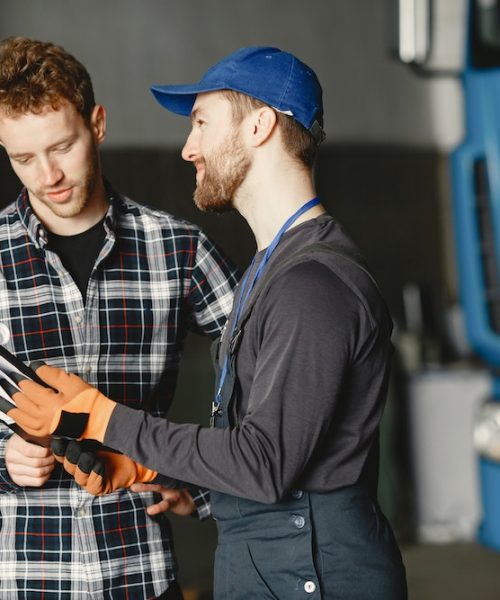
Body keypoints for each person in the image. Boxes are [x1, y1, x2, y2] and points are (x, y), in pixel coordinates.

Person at [7, 46, 408, 598]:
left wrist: (102, 418)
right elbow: (257, 432)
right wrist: (151, 472)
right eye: (23, 158)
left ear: (261, 125)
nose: (187, 148)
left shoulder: (301, 283)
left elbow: (265, 460)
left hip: (238, 568)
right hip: (34, 572)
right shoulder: (272, 272)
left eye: (200, 122)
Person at [0, 36, 238, 600]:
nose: (47, 175)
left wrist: (197, 489)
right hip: (27, 577)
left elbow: (268, 385)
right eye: (23, 158)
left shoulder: (178, 249)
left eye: (62, 146)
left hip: (139, 569)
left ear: (98, 124)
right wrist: (2, 457)